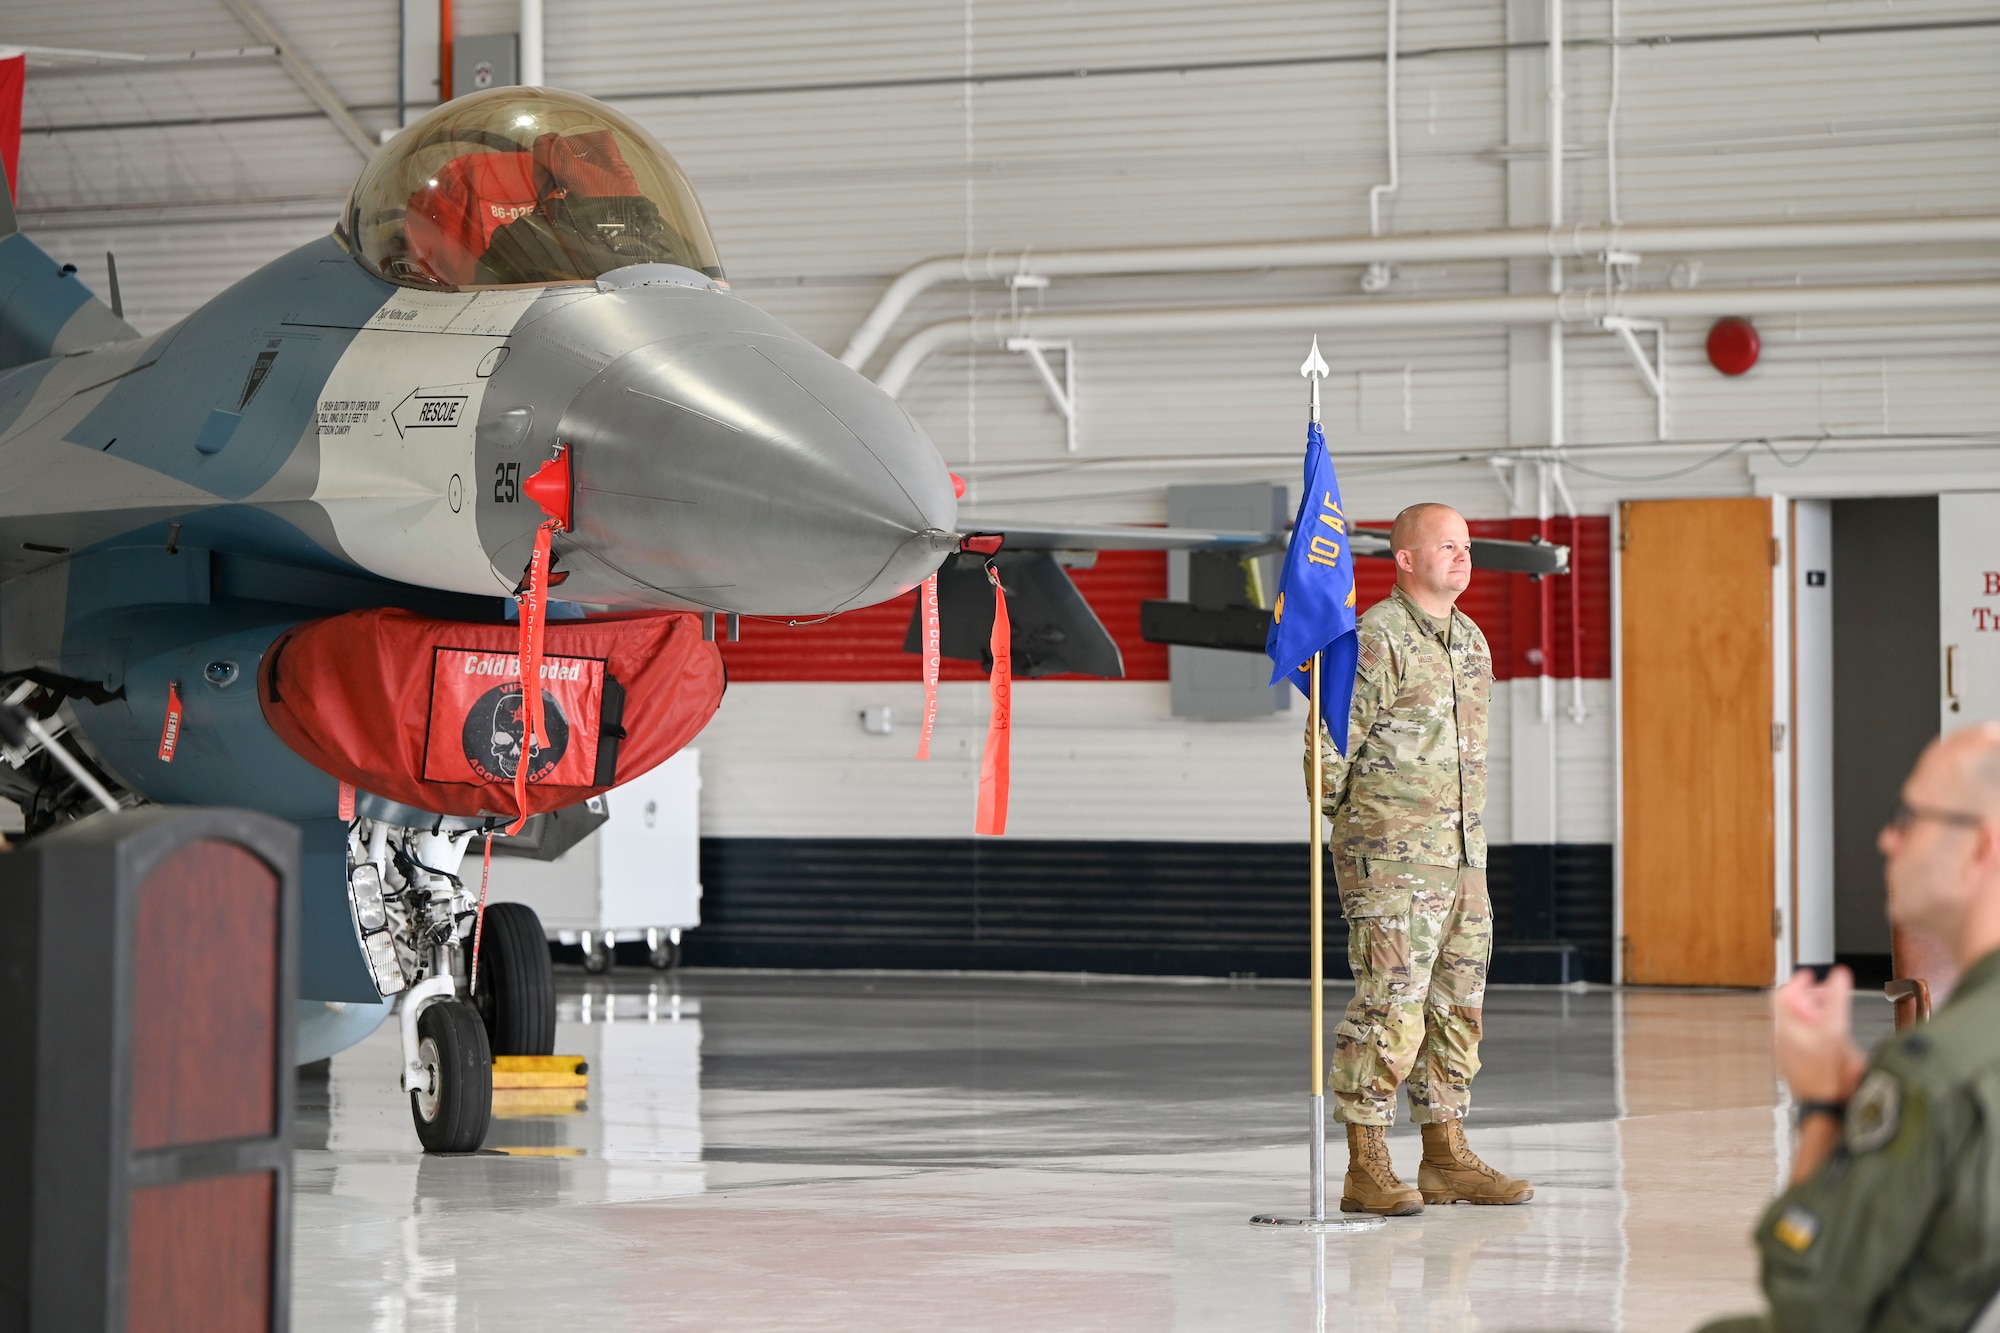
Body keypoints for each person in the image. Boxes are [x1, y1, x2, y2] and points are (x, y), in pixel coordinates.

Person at [1700, 725, 2000, 1332]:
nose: (1889, 839)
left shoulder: (1937, 1071)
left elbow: (1813, 1311)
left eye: (1912, 817)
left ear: (1981, 848)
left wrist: (1821, 1108)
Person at [1313, 502, 1531, 1216]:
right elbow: (1327, 750)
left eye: (1466, 546)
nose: (1463, 556)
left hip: (1463, 859)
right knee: (1390, 1008)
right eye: (1447, 545)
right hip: (1392, 862)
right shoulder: (1375, 638)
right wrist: (1356, 836)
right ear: (1404, 557)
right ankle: (1366, 1165)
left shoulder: (1469, 640)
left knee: (1456, 1007)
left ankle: (1445, 1156)